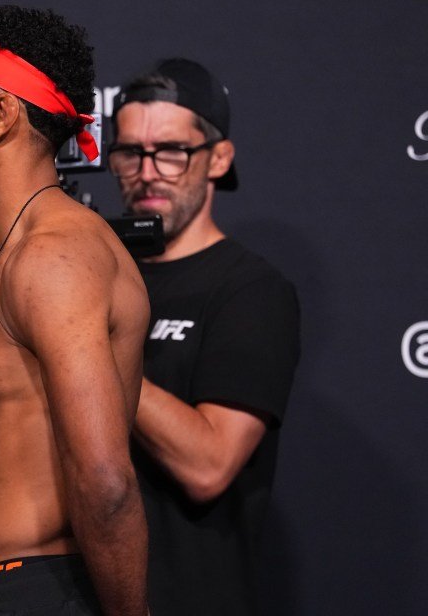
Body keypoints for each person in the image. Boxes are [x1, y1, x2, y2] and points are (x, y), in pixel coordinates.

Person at [0, 6, 150, 616]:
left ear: (1, 115)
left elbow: (106, 482)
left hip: (42, 596)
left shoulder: (54, 256)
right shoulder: (27, 253)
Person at [107, 58, 300, 615]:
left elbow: (208, 465)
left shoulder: (251, 289)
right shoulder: (96, 278)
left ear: (219, 158)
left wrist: (84, 343)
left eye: (171, 152)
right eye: (130, 153)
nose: (147, 172)